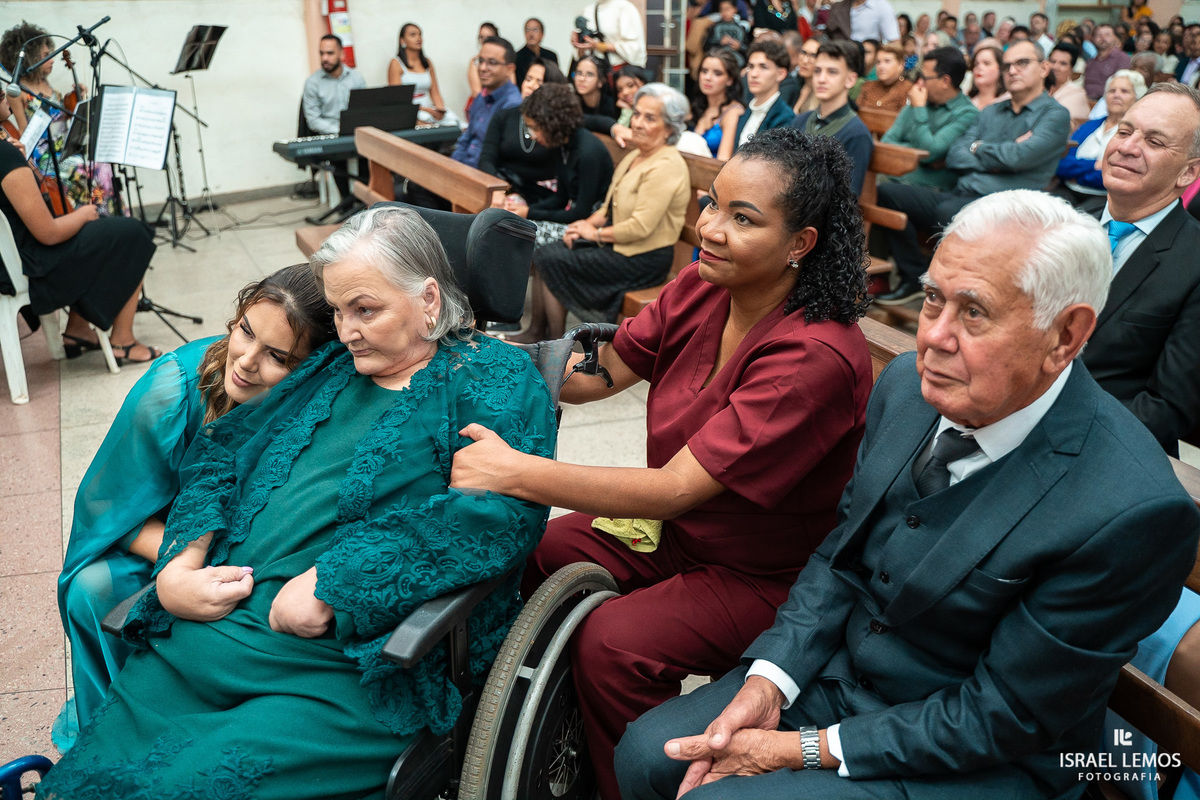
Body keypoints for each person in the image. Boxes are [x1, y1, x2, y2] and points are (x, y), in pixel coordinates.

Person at [616, 188, 1200, 800]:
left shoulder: (1130, 509)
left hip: (982, 756)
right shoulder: (906, 389)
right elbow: (839, 555)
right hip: (840, 682)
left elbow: (1008, 714)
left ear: (1064, 335)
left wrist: (799, 750)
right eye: (931, 300)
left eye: (974, 313)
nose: (934, 339)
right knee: (645, 755)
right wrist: (769, 681)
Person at [34, 206, 557, 800]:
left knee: (187, 786)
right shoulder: (332, 367)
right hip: (212, 638)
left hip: (340, 667)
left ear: (429, 299)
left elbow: (498, 518)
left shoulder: (494, 378)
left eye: (366, 310)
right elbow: (221, 454)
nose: (347, 329)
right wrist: (181, 562)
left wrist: (336, 583)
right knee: (84, 784)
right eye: (337, 311)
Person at [452, 127, 874, 800]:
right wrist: (476, 366)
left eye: (743, 219)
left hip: (768, 572)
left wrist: (513, 471)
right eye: (712, 205)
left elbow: (676, 489)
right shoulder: (707, 286)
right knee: (547, 543)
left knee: (615, 643)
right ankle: (547, 736)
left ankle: (630, 784)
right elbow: (607, 367)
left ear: (802, 244)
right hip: (687, 535)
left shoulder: (812, 356)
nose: (710, 228)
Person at [54, 265, 337, 748]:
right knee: (91, 587)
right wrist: (186, 565)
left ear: (312, 368)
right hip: (164, 550)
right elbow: (111, 510)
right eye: (245, 330)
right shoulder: (173, 391)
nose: (245, 361)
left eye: (277, 357)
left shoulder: (321, 402)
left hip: (257, 563)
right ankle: (116, 728)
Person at [876, 40, 1071, 304]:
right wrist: (998, 152)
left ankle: (953, 295)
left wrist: (979, 149)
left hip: (1006, 207)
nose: (1012, 70)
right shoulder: (991, 111)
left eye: (1022, 63)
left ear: (1044, 68)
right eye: (1007, 65)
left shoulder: (1055, 115)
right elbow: (957, 155)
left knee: (950, 213)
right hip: (962, 193)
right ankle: (913, 277)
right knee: (886, 193)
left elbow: (1020, 157)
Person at [516, 83, 691, 342]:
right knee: (547, 252)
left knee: (553, 259)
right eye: (637, 114)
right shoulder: (636, 156)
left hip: (643, 258)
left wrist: (595, 233)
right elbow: (606, 208)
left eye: (650, 118)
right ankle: (537, 331)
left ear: (669, 128)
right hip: (619, 245)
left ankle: (553, 342)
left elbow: (639, 227)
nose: (638, 123)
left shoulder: (667, 165)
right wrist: (582, 225)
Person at [1083, 83, 1200, 456]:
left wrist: (1046, 427)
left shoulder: (1195, 260)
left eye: (1154, 141)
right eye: (1124, 130)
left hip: (1110, 450)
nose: (1127, 147)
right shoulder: (1062, 225)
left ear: (1188, 173)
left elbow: (1166, 408)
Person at [0, 123, 158, 364]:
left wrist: (25, 162)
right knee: (134, 233)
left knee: (104, 233)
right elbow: (48, 233)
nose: (7, 100)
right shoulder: (4, 154)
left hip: (14, 261)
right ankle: (123, 340)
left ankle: (78, 329)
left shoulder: (8, 152)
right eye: (2, 95)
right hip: (35, 265)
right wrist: (83, 214)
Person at [0, 22, 120, 215]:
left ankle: (108, 217)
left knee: (103, 165)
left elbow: (62, 119)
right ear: (30, 58)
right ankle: (92, 217)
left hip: (67, 150)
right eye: (45, 55)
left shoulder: (45, 82)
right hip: (46, 159)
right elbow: (23, 132)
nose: (52, 59)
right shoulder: (18, 91)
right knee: (85, 169)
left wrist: (74, 101)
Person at [496, 82, 615, 249]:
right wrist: (523, 210)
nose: (532, 136)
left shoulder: (588, 153)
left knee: (517, 234)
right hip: (576, 217)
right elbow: (561, 198)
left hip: (591, 225)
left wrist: (529, 213)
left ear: (552, 123)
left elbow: (581, 213)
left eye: (535, 128)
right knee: (507, 224)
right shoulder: (561, 145)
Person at [881, 46, 979, 190]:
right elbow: (886, 143)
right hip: (892, 177)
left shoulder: (967, 114)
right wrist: (920, 156)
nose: (919, 82)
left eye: (925, 77)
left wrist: (919, 109)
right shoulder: (920, 99)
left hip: (928, 190)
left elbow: (930, 152)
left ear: (945, 81)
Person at [480, 60, 569, 212]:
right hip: (507, 188)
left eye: (539, 82)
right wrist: (496, 188)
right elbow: (487, 158)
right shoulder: (504, 116)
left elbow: (589, 121)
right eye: (528, 79)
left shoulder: (557, 123)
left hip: (544, 196)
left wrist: (614, 127)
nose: (530, 85)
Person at [789, 40, 873, 196]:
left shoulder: (856, 134)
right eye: (817, 71)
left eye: (832, 72)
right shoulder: (800, 120)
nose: (821, 79)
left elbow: (847, 198)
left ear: (850, 80)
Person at [1055, 70, 1145, 211]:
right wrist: (1095, 165)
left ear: (1137, 98)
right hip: (1067, 190)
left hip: (1105, 198)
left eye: (1124, 91)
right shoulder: (1090, 125)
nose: (1116, 95)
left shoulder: (1136, 134)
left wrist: (1076, 174)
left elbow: (1117, 177)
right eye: (1111, 91)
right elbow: (1061, 163)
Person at [302, 34, 366, 203]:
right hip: (331, 135)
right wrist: (339, 130)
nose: (325, 58)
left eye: (330, 53)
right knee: (339, 158)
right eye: (321, 53)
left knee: (371, 154)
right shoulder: (313, 82)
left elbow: (364, 110)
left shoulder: (356, 78)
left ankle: (364, 202)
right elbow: (313, 120)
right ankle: (346, 204)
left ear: (341, 54)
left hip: (355, 132)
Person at [452, 36, 522, 169]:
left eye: (492, 63)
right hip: (464, 169)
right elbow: (465, 140)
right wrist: (453, 167)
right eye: (481, 61)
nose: (483, 68)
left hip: (485, 176)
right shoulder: (481, 98)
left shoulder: (512, 105)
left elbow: (497, 158)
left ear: (510, 69)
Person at [736, 39, 796, 150]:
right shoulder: (745, 110)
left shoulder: (785, 117)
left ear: (781, 74)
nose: (754, 74)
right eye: (751, 66)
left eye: (763, 67)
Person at [387, 23, 447, 124]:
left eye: (420, 34)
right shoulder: (396, 63)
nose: (418, 38)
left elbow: (435, 93)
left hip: (429, 108)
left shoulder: (427, 62)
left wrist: (440, 110)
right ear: (402, 40)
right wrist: (426, 110)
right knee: (426, 122)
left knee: (454, 122)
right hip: (410, 110)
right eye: (413, 35)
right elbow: (397, 100)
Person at [692, 48, 746, 159]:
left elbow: (723, 160)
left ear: (730, 80)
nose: (708, 78)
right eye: (704, 71)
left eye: (717, 73)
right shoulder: (699, 106)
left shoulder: (733, 112)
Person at [574, 0, 648, 68]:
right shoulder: (588, 10)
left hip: (617, 70)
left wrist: (599, 46)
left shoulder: (624, 8)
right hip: (595, 70)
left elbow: (634, 47)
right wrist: (579, 41)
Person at [857, 41, 909, 111]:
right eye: (878, 62)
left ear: (900, 66)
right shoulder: (868, 87)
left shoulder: (908, 89)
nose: (881, 66)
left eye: (887, 61)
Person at [1086, 24, 1133, 100]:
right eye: (1099, 35)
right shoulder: (1090, 62)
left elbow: (1122, 86)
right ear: (1093, 39)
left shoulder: (1122, 58)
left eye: (1107, 35)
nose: (1103, 38)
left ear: (1114, 38)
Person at [1048, 42, 1091, 121]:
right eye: (1053, 62)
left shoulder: (1076, 94)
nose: (1055, 67)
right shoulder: (1039, 87)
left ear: (1071, 69)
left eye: (1063, 64)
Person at [515, 17, 559, 84]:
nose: (531, 34)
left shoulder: (551, 56)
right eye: (527, 30)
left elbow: (556, 81)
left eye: (535, 30)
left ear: (542, 34)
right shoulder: (517, 57)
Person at [573, 54, 618, 118]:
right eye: (579, 73)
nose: (582, 79)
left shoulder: (612, 105)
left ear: (600, 81)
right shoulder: (570, 103)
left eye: (590, 74)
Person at [967, 45, 1009, 110]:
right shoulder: (965, 100)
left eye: (986, 63)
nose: (979, 67)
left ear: (1000, 69)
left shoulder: (1008, 101)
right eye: (976, 64)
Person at [466, 22, 501, 101]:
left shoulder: (503, 61)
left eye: (489, 37)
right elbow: (476, 93)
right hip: (483, 103)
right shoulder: (475, 62)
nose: (485, 40)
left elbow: (512, 85)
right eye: (481, 37)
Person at [790, 36, 822, 115]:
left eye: (813, 56)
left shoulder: (824, 95)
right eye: (803, 53)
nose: (805, 60)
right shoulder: (793, 85)